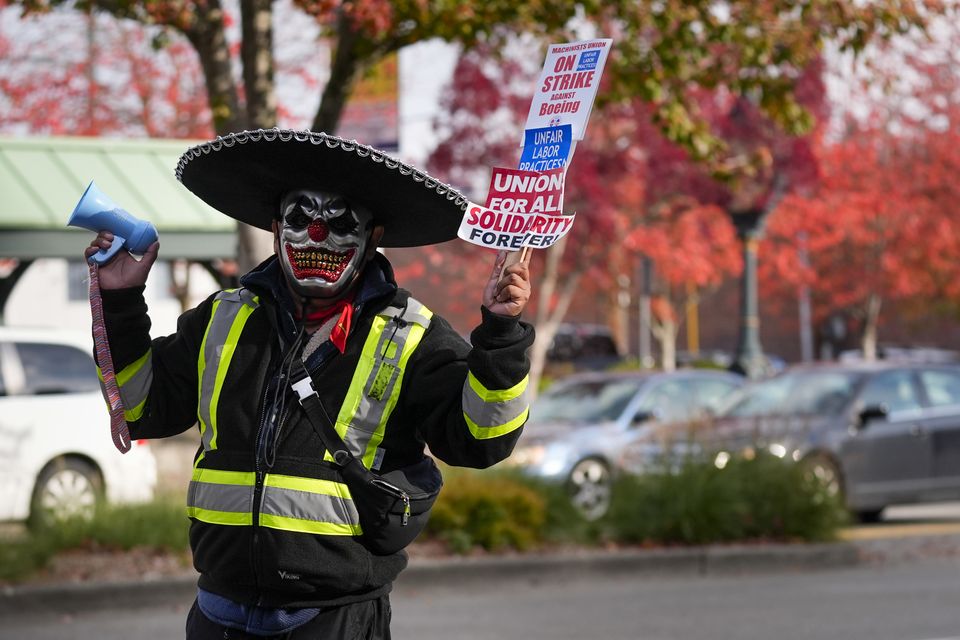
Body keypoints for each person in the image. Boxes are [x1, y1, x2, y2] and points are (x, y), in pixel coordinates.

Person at [84, 128, 534, 639]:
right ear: (277, 228)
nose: (317, 235)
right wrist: (121, 300)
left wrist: (501, 332)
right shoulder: (222, 318)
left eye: (340, 220)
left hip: (334, 620)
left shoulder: (411, 335)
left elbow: (481, 439)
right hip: (217, 613)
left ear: (374, 236)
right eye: (300, 217)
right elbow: (142, 409)